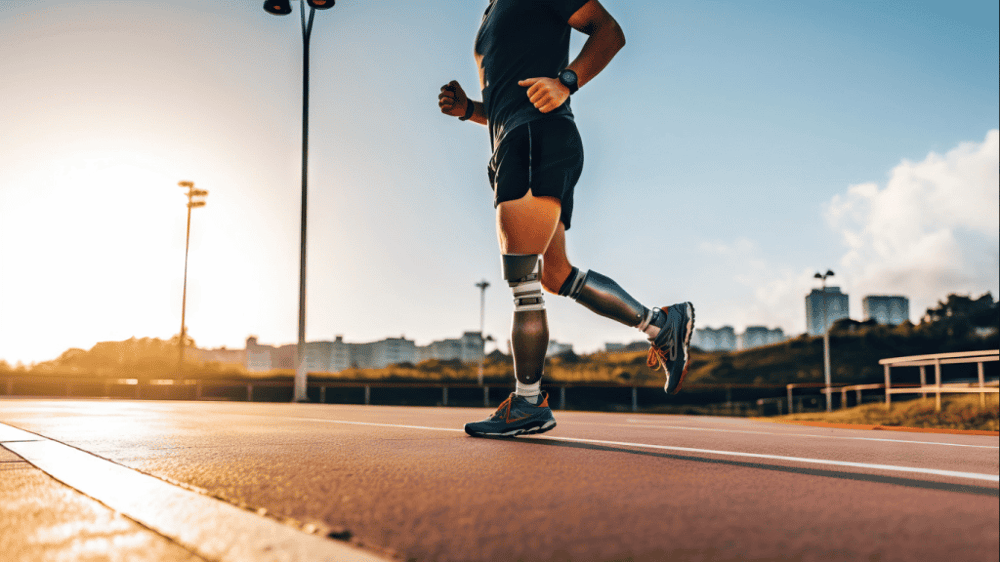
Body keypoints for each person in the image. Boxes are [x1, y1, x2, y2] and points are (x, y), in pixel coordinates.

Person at [438, 0, 694, 437]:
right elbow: (507, 101)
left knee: (523, 281)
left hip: (536, 138)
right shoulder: (487, 19)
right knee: (555, 276)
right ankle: (659, 323)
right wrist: (469, 110)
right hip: (514, 142)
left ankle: (528, 402)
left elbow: (609, 31)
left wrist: (566, 81)